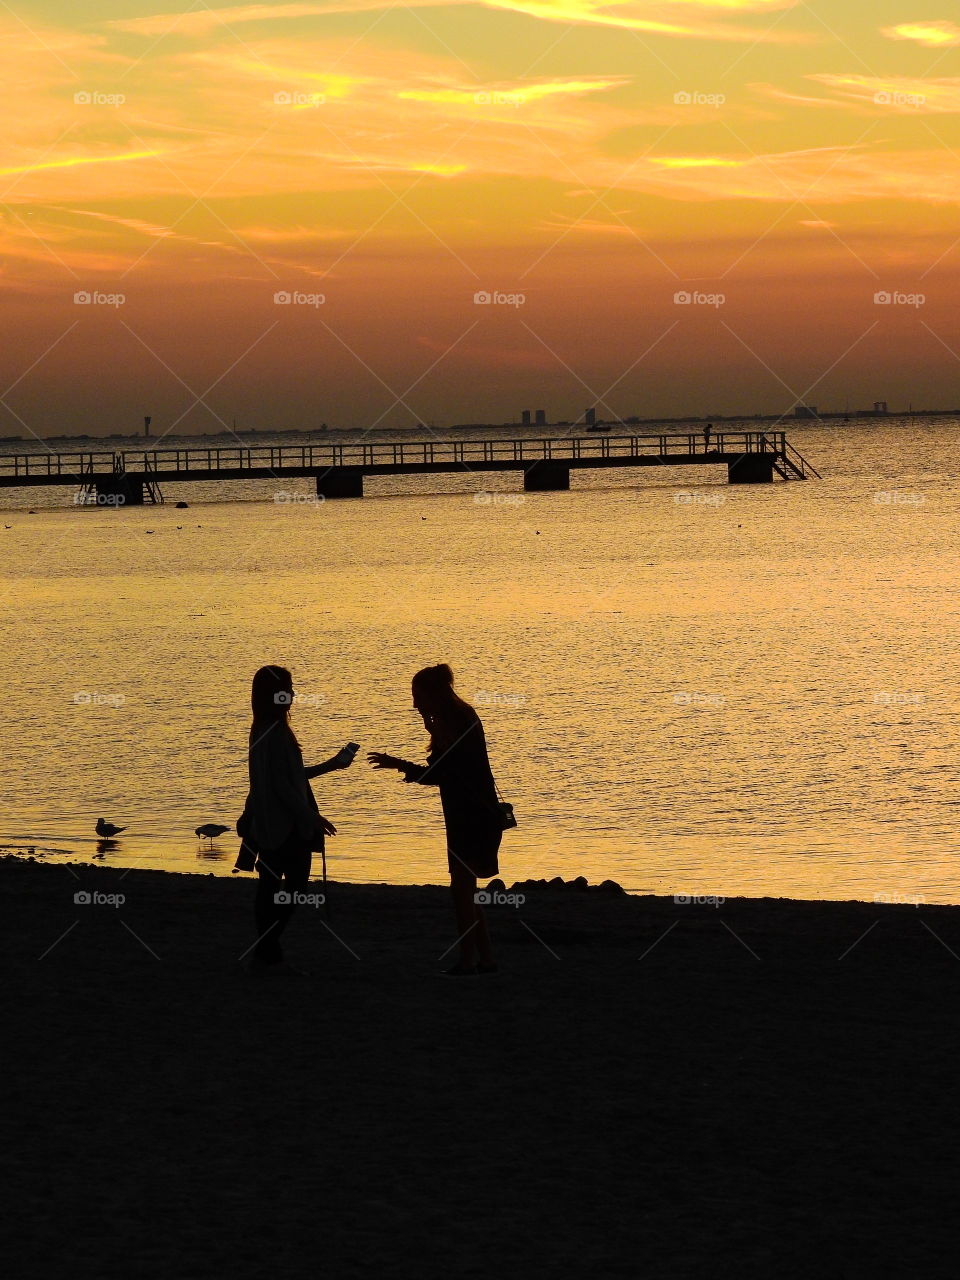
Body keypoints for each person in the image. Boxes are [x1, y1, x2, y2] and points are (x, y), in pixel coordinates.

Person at [369, 664, 503, 977]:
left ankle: (469, 961)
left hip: (471, 816)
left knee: (461, 889)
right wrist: (430, 733)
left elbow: (439, 773)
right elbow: (442, 769)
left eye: (418, 697)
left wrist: (398, 764)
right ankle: (485, 959)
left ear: (433, 694)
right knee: (465, 888)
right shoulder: (455, 718)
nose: (415, 704)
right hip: (468, 814)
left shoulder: (457, 719)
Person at [241, 665, 350, 974]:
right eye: (286, 689)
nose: (291, 694)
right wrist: (311, 817)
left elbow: (289, 778)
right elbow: (282, 787)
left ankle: (266, 953)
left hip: (269, 823)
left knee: (270, 887)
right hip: (284, 826)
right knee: (292, 887)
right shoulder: (274, 732)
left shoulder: (263, 729)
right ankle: (266, 951)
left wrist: (331, 766)